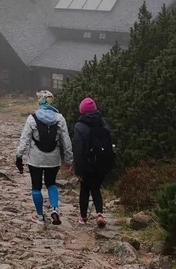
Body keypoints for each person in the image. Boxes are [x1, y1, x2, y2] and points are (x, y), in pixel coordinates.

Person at [14, 90, 73, 225]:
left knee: (36, 186)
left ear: (40, 101)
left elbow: (24, 140)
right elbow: (66, 140)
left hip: (35, 159)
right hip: (53, 159)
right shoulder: (59, 118)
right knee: (51, 183)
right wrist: (69, 159)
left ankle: (40, 216)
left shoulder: (32, 118)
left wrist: (19, 156)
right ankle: (55, 209)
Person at [73, 97, 115, 228]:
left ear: (82, 110)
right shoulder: (102, 123)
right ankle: (100, 214)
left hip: (86, 164)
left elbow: (78, 150)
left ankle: (83, 217)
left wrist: (78, 169)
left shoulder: (79, 126)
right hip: (101, 164)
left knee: (84, 190)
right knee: (96, 188)